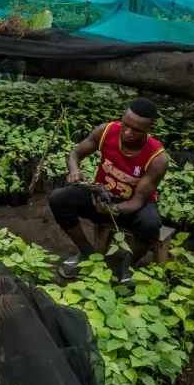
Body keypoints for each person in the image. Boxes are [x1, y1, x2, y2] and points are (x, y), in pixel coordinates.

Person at [48, 97, 169, 281]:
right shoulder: (106, 132)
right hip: (102, 195)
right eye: (125, 125)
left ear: (149, 129)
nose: (128, 132)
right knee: (58, 199)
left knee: (150, 225)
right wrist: (74, 171)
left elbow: (138, 200)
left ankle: (129, 263)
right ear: (122, 117)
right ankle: (87, 253)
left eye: (137, 130)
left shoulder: (157, 158)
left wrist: (114, 209)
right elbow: (75, 153)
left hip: (132, 205)